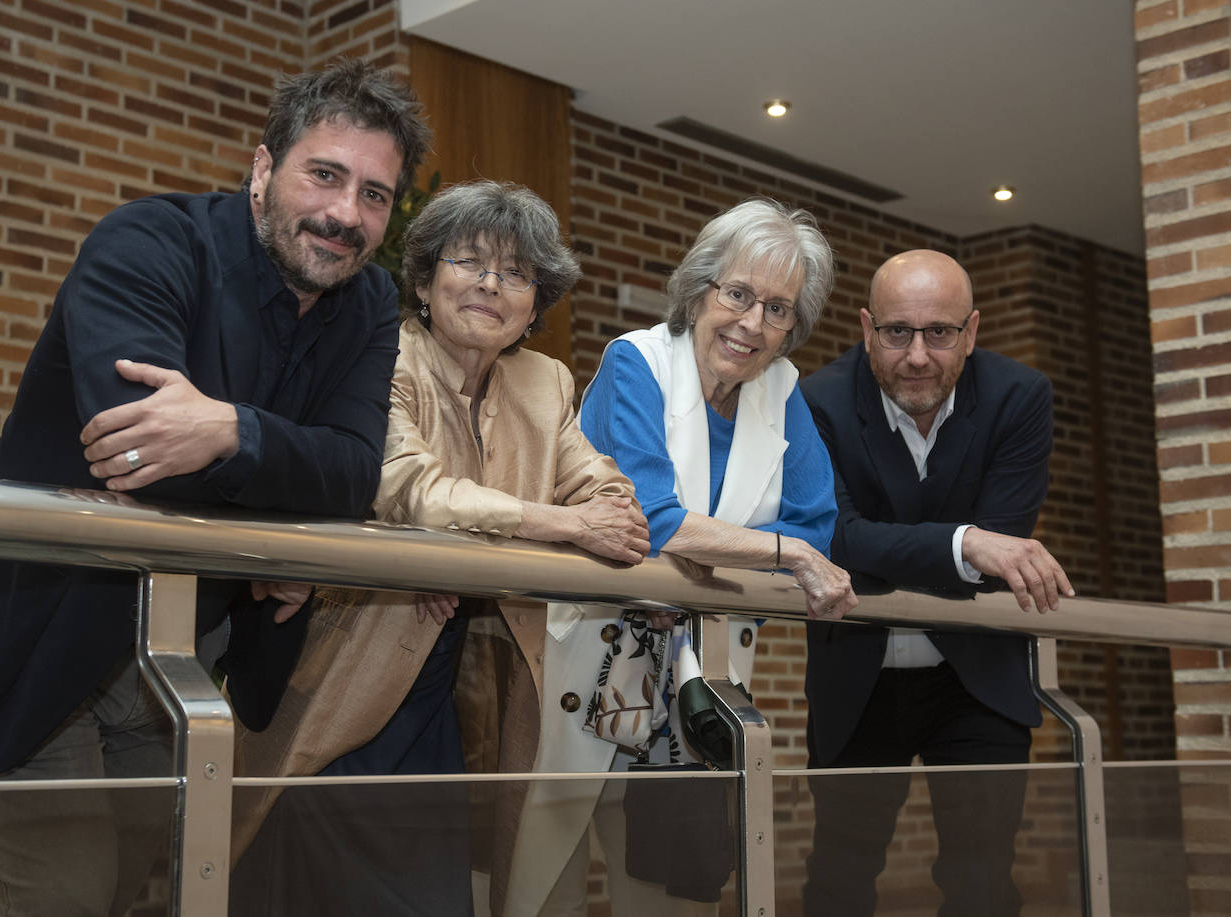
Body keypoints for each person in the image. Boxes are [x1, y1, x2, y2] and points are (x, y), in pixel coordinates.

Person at [0, 58, 431, 917]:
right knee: (70, 899)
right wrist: (271, 516)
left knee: (131, 896)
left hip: (167, 663)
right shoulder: (149, 242)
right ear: (263, 170)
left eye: (375, 194)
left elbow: (349, 476)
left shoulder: (370, 304)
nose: (346, 214)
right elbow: (135, 447)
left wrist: (228, 429)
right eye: (325, 175)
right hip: (30, 639)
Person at [226, 179, 650, 917]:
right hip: (351, 664)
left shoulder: (545, 382)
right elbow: (410, 489)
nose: (491, 283)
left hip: (463, 686)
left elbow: (610, 497)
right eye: (469, 261)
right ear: (423, 281)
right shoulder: (383, 352)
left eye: (516, 273)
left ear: (533, 306)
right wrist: (560, 526)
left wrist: (500, 537)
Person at [505, 198, 858, 916]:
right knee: (546, 889)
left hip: (698, 690)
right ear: (700, 288)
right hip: (591, 671)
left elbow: (821, 527)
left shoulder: (783, 392)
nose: (752, 323)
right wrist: (774, 550)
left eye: (778, 308)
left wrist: (723, 547)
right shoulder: (637, 362)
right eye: (738, 294)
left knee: (675, 899)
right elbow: (652, 518)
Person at [798, 249, 1075, 916]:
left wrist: (959, 546)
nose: (917, 355)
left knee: (983, 885)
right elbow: (833, 537)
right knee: (838, 878)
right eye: (897, 332)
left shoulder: (1019, 396)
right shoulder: (815, 401)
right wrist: (963, 541)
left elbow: (1004, 536)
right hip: (856, 680)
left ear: (971, 332)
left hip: (977, 676)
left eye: (939, 332)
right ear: (866, 329)